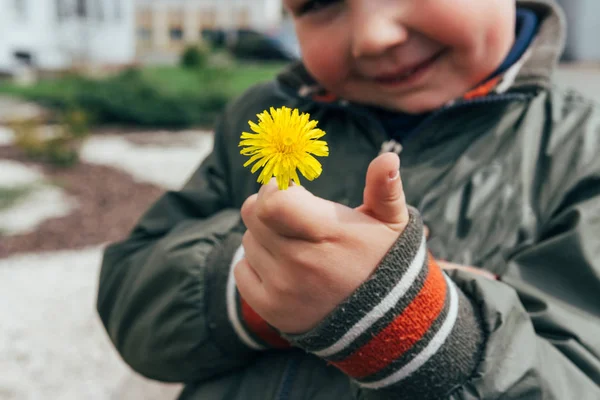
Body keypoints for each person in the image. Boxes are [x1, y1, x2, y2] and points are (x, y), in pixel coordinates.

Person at [97, 0, 600, 398]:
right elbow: (131, 299)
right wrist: (255, 287)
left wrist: (414, 323)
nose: (374, 37)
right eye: (318, 3)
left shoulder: (583, 150)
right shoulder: (261, 114)